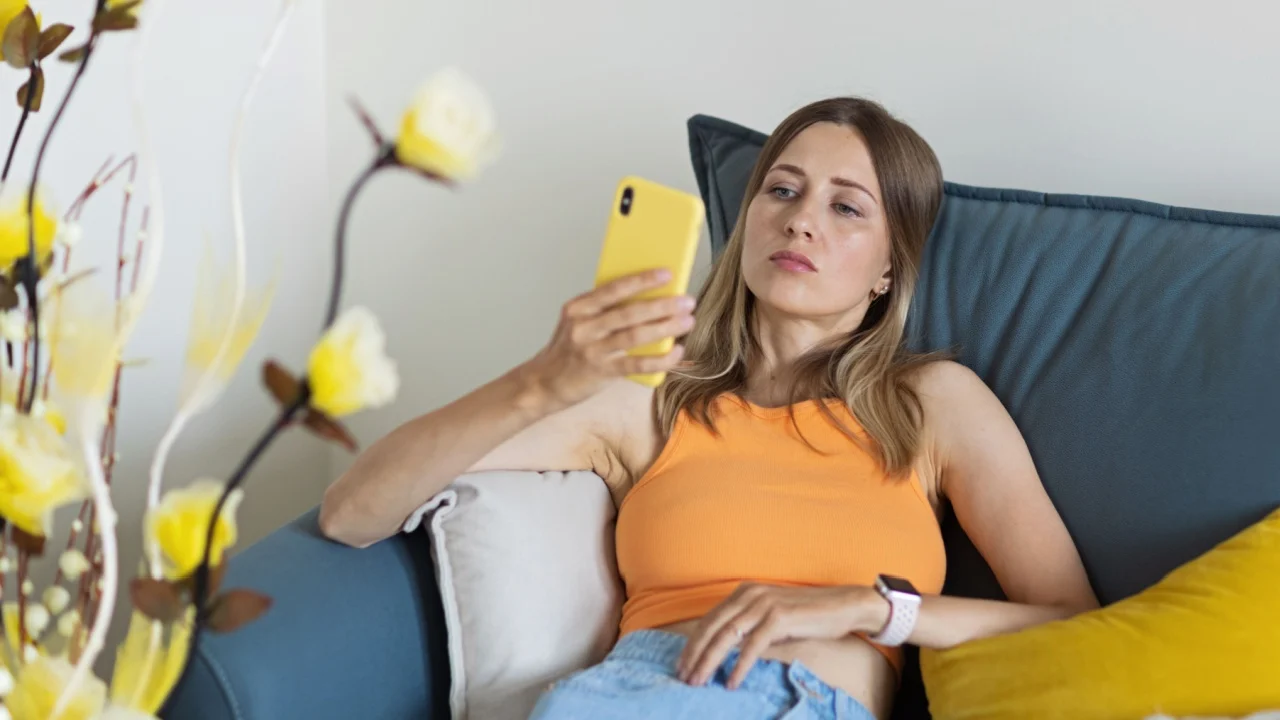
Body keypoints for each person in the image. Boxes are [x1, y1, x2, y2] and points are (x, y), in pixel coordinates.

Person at [318, 96, 1099, 720]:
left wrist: (872, 609)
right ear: (748, 220)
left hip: (807, 699)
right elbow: (353, 511)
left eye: (847, 208)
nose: (801, 220)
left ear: (889, 270)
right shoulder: (648, 398)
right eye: (783, 190)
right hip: (620, 698)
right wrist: (546, 380)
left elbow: (1073, 617)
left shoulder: (931, 403)